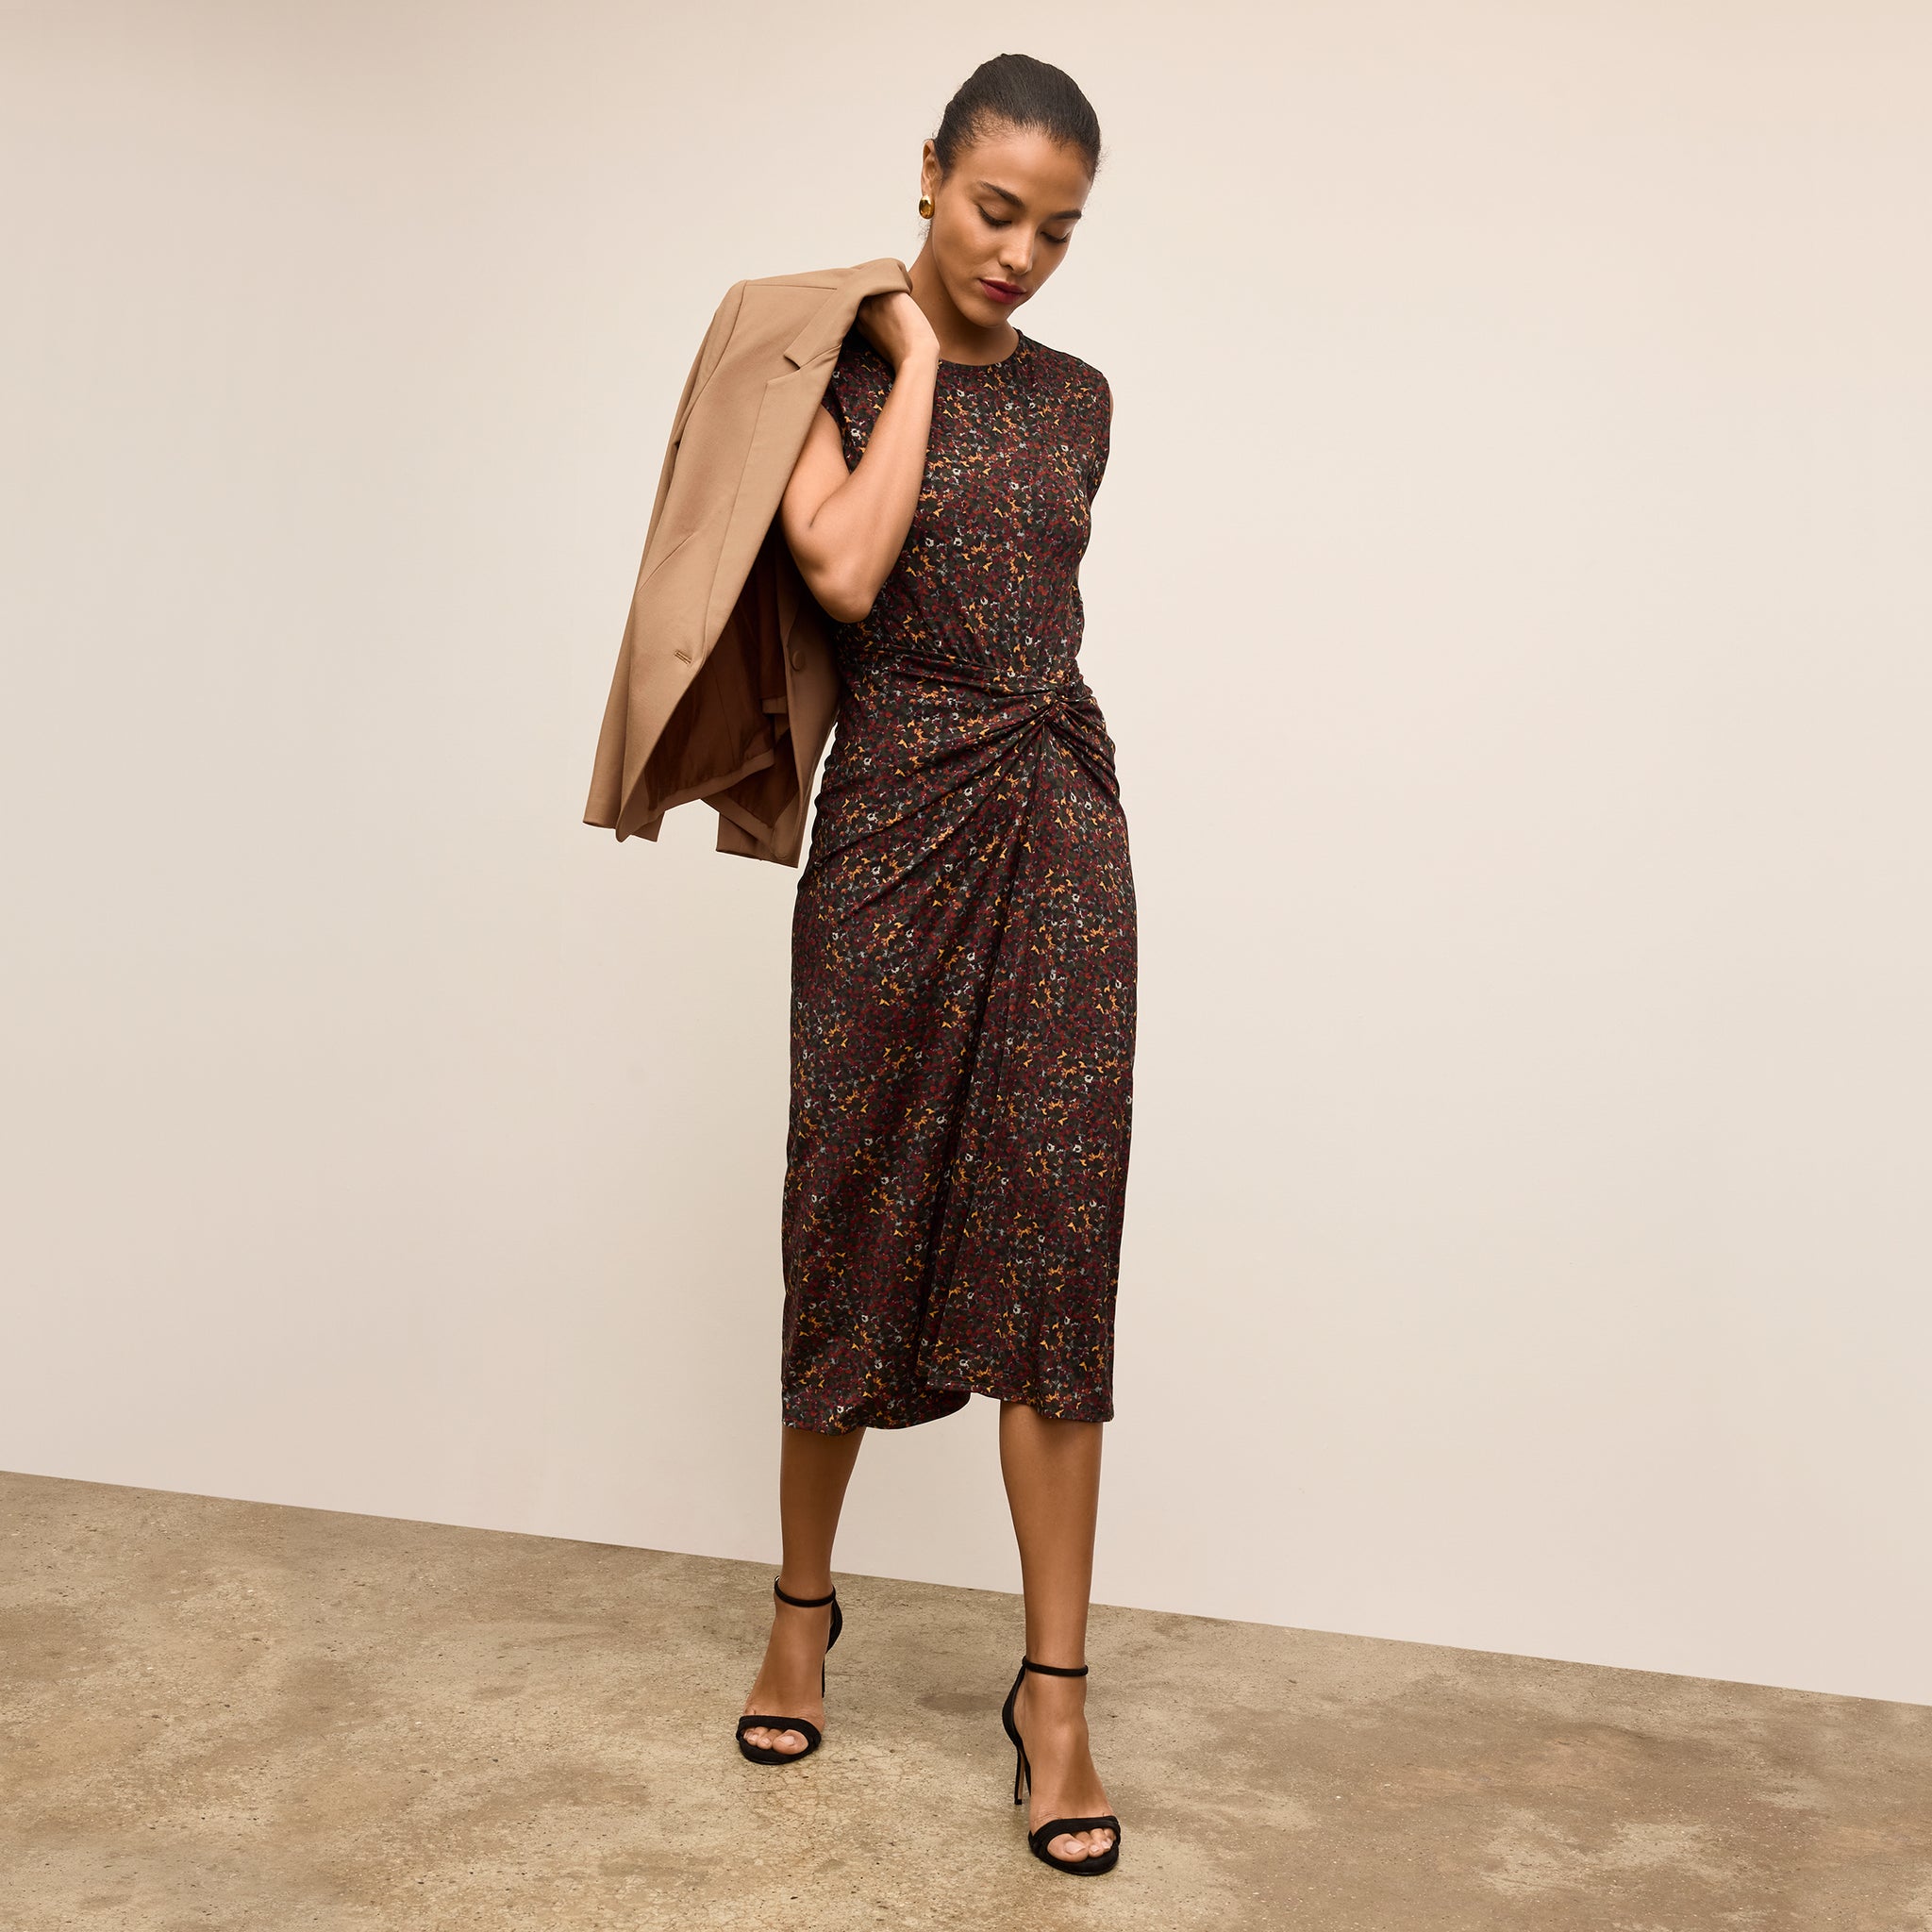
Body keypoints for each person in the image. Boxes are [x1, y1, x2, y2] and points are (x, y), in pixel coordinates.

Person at [732, 54, 1133, 1878]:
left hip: (1056, 825)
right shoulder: (821, 369)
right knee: (847, 1205)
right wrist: (904, 347)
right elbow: (840, 567)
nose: (1021, 256)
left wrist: (947, 340)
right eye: (994, 211)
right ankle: (802, 1611)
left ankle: (1054, 1696)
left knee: (1056, 1234)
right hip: (891, 832)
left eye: (1057, 229)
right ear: (928, 174)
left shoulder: (1084, 401)